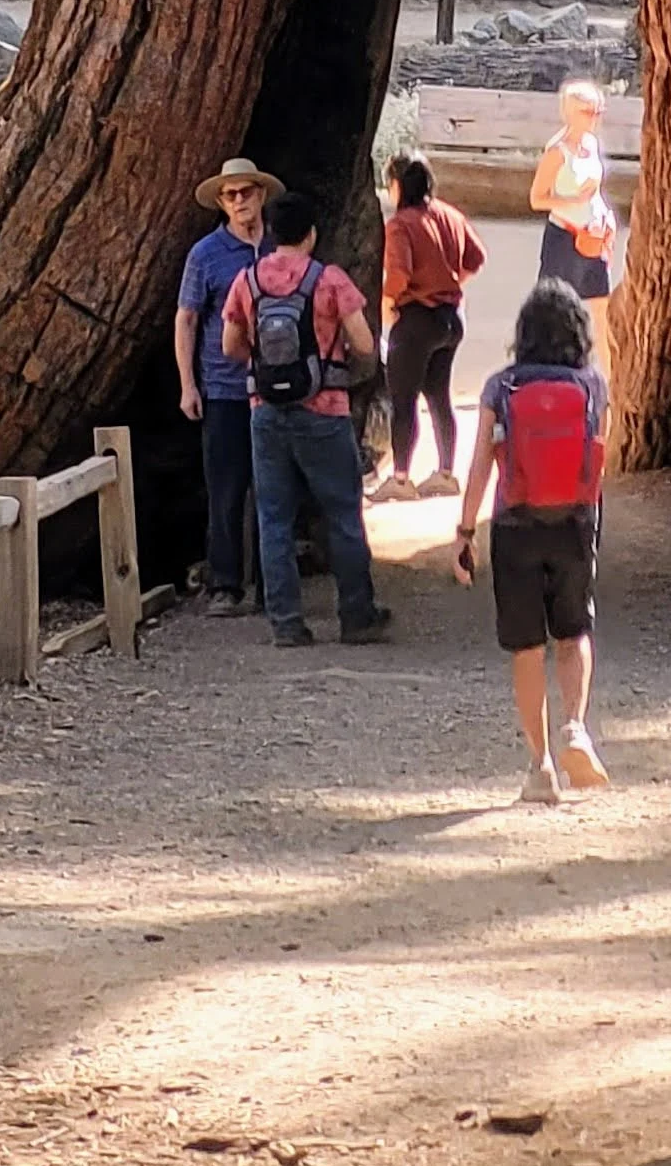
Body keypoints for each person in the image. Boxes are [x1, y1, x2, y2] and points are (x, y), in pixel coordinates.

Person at [455, 276, 610, 806]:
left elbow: (480, 462)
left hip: (515, 522)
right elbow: (596, 463)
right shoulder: (593, 384)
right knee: (574, 631)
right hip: (574, 520)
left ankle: (540, 766)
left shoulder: (502, 386)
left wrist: (464, 530)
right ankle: (575, 726)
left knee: (525, 647)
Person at [220, 189, 390, 649]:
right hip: (325, 411)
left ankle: (286, 623)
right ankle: (357, 616)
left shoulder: (249, 281)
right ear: (311, 235)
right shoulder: (329, 280)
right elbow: (366, 344)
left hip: (266, 415)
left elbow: (230, 346)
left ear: (272, 233)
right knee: (342, 514)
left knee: (273, 517)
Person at [175, 157, 278, 613]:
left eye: (246, 192)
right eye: (230, 195)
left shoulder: (280, 247)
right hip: (223, 387)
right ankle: (225, 584)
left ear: (261, 194)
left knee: (275, 488)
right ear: (220, 202)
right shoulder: (205, 254)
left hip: (277, 387)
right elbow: (188, 318)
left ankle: (273, 585)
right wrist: (187, 385)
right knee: (226, 488)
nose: (240, 202)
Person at [377, 155, 485, 502]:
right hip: (452, 317)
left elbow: (398, 274)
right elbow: (476, 257)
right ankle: (446, 472)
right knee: (439, 395)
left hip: (416, 319)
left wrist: (387, 303)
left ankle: (401, 477)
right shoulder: (449, 214)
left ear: (397, 185)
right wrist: (451, 282)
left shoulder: (399, 224)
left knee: (403, 399)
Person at [529, 82, 618, 370]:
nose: (594, 117)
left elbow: (595, 191)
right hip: (564, 239)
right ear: (570, 113)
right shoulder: (557, 151)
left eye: (598, 111)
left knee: (601, 312)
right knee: (555, 311)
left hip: (592, 238)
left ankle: (612, 386)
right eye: (588, 111)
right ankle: (543, 371)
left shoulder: (592, 145)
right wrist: (573, 200)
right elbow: (537, 199)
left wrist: (605, 217)